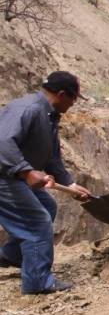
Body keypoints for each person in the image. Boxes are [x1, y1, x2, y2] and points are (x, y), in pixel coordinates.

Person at [0, 72, 93, 294]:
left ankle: (12, 256)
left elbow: (51, 158)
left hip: (13, 176)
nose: (73, 104)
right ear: (61, 95)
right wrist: (26, 171)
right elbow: (2, 142)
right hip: (5, 178)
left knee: (47, 207)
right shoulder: (28, 109)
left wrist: (70, 186)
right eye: (72, 99)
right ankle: (38, 282)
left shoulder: (49, 115)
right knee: (37, 221)